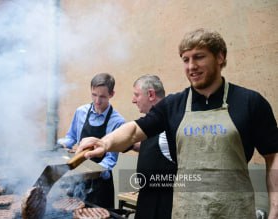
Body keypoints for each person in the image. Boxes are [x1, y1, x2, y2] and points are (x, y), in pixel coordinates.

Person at [77, 28, 278, 218]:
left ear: (220, 57)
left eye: (199, 56)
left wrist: (275, 209)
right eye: (186, 59)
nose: (191, 66)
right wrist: (105, 143)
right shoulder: (173, 105)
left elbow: (273, 155)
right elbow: (134, 130)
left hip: (234, 210)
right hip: (186, 211)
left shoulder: (250, 102)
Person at [57, 72, 125, 208]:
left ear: (112, 94)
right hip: (77, 179)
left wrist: (93, 172)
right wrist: (58, 145)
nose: (97, 101)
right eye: (94, 95)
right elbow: (71, 137)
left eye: (102, 97)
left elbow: (111, 159)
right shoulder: (81, 111)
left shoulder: (118, 121)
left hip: (101, 185)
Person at [131, 74, 176, 219]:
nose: (133, 100)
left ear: (151, 95)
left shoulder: (171, 122)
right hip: (147, 198)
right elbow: (156, 149)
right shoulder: (151, 123)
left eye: (136, 95)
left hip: (163, 205)